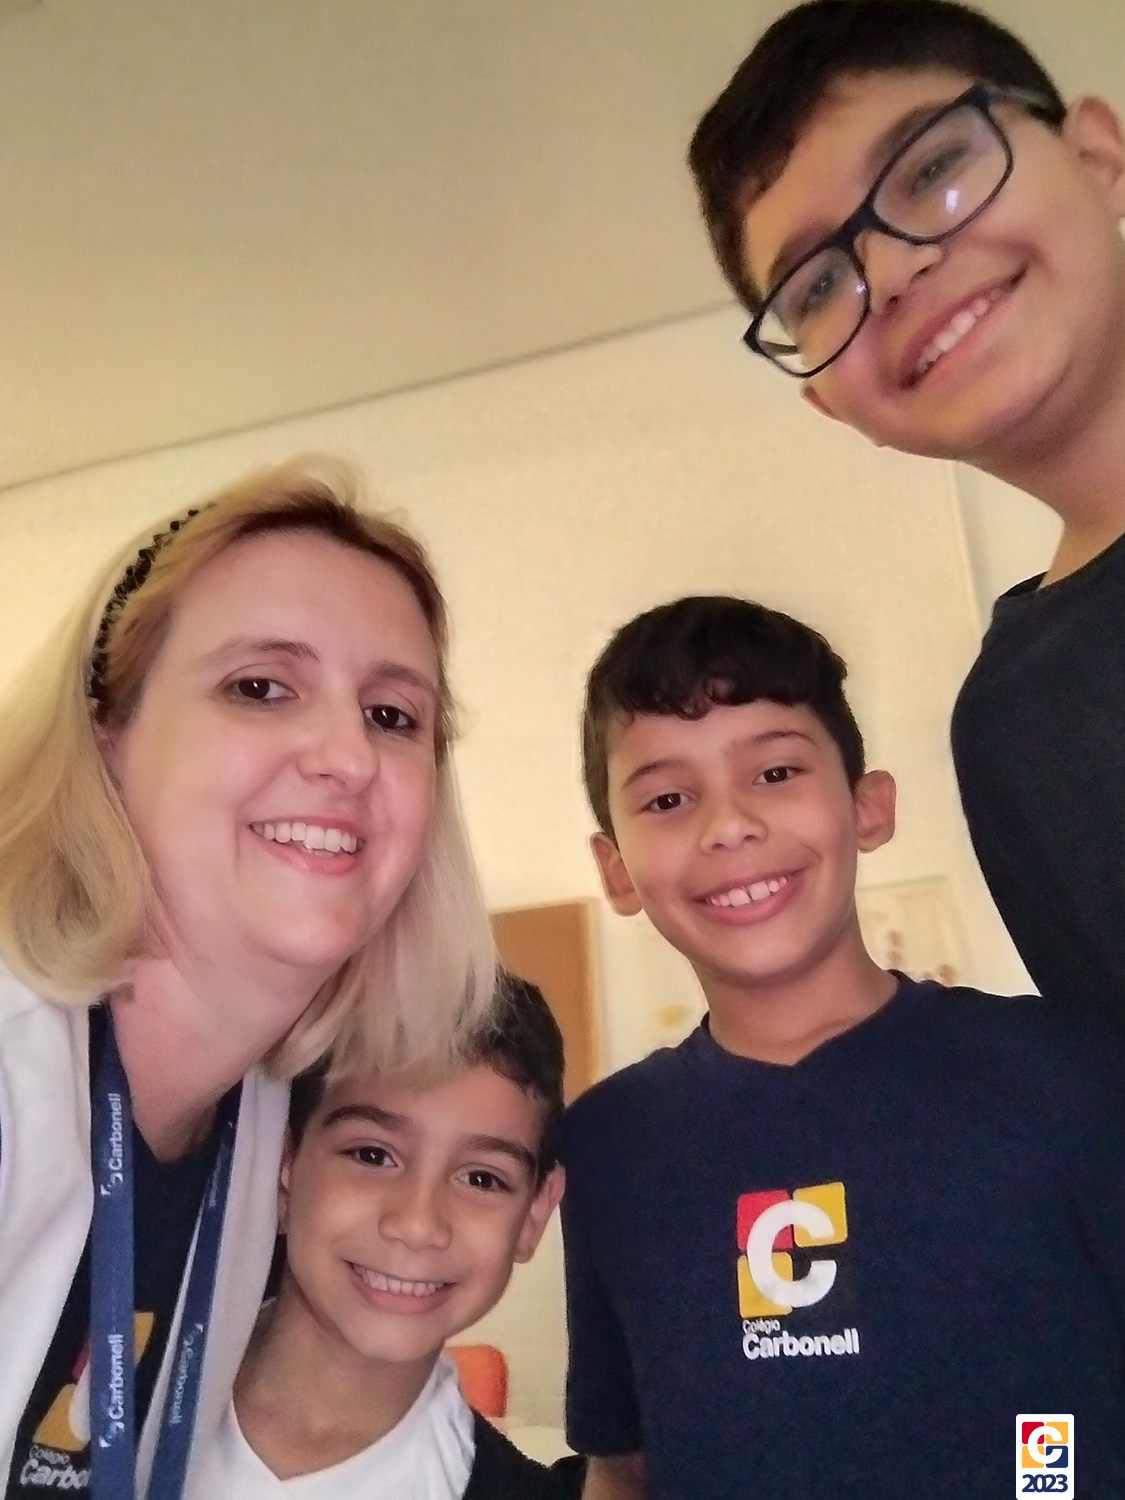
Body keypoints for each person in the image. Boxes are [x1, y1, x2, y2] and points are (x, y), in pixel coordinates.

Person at [0, 459, 496, 1498]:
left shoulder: (258, 1119)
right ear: (108, 732)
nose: (347, 757)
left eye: (393, 715)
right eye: (261, 688)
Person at [562, 595, 1125, 1500]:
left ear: (868, 806)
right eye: (667, 798)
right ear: (615, 869)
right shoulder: (607, 1143)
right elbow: (624, 1466)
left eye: (775, 771)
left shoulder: (1064, 1075)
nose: (728, 824)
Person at [687, 0, 1125, 1027]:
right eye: (815, 287)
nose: (888, 273)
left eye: (931, 169)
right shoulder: (1021, 727)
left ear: (1098, 157)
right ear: (830, 405)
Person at [186, 974, 581, 1499]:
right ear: (286, 1163)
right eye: (372, 1155)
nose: (417, 1224)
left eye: (482, 1179)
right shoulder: (107, 1396)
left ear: (534, 1214)